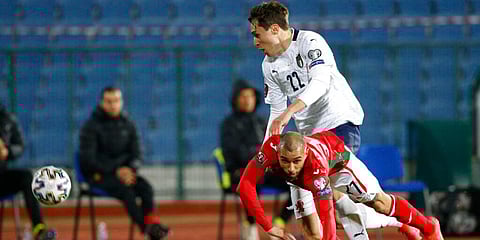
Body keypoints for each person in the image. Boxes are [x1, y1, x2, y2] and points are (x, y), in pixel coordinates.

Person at [248, 1, 421, 239]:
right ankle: (395, 222)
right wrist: (269, 148)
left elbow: (320, 82)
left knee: (327, 191)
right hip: (308, 140)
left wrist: (292, 110)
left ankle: (397, 224)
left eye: (257, 34)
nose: (255, 42)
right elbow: (276, 113)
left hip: (340, 126)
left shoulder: (311, 43)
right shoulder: (269, 66)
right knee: (311, 221)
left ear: (275, 29)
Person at [238, 131, 444, 240]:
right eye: (285, 161)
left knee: (379, 203)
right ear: (278, 153)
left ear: (305, 155)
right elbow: (245, 184)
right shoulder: (271, 148)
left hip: (338, 162)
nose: (290, 168)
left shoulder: (315, 167)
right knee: (311, 233)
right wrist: (268, 225)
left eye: (296, 161)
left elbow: (325, 210)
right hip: (304, 180)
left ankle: (426, 226)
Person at [78, 87, 169, 240]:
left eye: (116, 101)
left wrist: (131, 169)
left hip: (125, 174)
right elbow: (88, 160)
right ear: (102, 103)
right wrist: (116, 170)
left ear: (121, 102)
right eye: (109, 101)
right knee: (128, 192)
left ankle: (152, 222)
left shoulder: (128, 124)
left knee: (146, 188)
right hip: (98, 176)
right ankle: (148, 230)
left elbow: (137, 153)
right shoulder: (91, 126)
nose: (113, 105)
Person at [220, 79, 293, 240]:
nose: (247, 100)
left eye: (251, 96)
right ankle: (250, 226)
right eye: (243, 96)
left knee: (295, 181)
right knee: (252, 180)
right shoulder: (229, 124)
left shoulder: (261, 121)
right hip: (240, 171)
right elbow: (232, 151)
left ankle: (280, 221)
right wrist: (259, 155)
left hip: (265, 169)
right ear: (235, 99)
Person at [0, 103, 57, 240]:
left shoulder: (7, 118)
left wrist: (8, 152)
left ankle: (39, 229)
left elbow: (19, 145)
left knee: (26, 177)